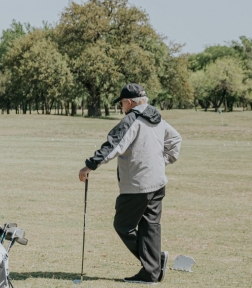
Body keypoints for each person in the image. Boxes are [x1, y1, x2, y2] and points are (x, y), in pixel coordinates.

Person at [78, 83, 182, 284]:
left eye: (122, 103)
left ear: (128, 102)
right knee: (150, 227)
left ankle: (155, 263)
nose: (122, 107)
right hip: (157, 182)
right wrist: (163, 162)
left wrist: (89, 166)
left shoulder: (132, 120)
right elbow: (176, 139)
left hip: (137, 186)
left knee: (123, 225)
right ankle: (151, 272)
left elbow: (113, 145)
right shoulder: (157, 118)